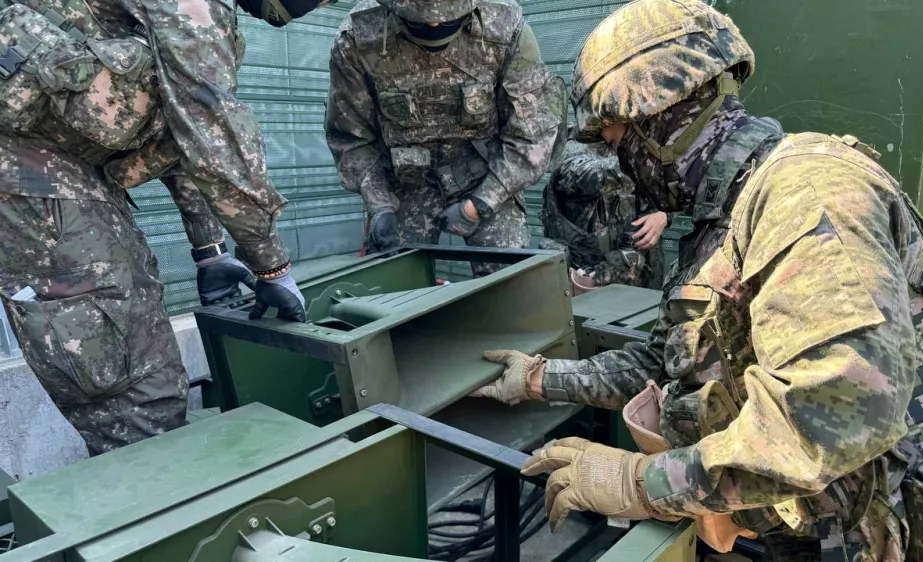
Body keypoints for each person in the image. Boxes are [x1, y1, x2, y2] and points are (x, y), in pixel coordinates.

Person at [470, 1, 923, 559]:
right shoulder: (721, 222)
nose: (617, 159)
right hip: (833, 525)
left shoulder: (807, 192)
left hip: (918, 532)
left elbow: (837, 416)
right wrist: (537, 378)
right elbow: (662, 363)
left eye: (615, 135)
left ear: (660, 121)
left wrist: (642, 484)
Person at [0, 0, 324, 455]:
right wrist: (271, 264)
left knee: (138, 375)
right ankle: (151, 508)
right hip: (28, 174)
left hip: (55, 168)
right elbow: (216, 141)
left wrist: (209, 249)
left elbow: (178, 132)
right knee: (134, 392)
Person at [325, 0, 564, 277]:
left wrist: (482, 203)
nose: (435, 24)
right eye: (419, 17)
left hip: (488, 175)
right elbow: (351, 138)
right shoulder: (358, 36)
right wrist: (379, 205)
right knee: (394, 282)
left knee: (509, 283)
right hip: (405, 184)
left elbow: (531, 134)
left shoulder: (504, 25)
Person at [539, 133, 668, 292]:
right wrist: (650, 161)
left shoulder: (639, 141)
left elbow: (671, 193)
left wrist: (664, 214)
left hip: (639, 273)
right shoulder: (574, 147)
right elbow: (587, 175)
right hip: (589, 280)